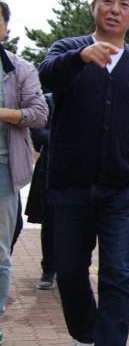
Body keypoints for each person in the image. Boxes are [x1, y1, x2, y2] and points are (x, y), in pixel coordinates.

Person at [38, 0, 129, 346]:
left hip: (123, 189)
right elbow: (46, 78)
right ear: (94, 7)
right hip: (69, 186)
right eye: (107, 1)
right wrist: (79, 59)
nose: (115, 9)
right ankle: (85, 334)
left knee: (117, 274)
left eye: (124, 4)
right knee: (71, 271)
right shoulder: (66, 49)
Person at [0, 0, 48, 344]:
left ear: (5, 27)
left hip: (4, 171)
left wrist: (4, 112)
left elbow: (38, 113)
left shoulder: (19, 69)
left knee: (0, 252)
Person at [24, 93, 56, 290]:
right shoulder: (48, 100)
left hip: (83, 169)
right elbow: (38, 132)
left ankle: (71, 267)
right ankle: (49, 269)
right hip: (50, 168)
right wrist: (69, 138)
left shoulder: (94, 97)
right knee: (50, 221)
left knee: (82, 223)